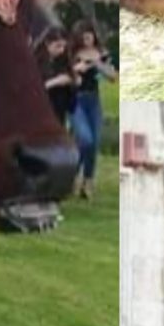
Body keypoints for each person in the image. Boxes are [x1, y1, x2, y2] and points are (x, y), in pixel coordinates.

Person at [66, 22, 114, 202]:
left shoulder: (101, 53)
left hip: (93, 101)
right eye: (84, 36)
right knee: (85, 139)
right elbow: (66, 76)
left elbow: (111, 77)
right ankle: (71, 175)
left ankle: (87, 181)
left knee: (93, 143)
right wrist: (77, 70)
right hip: (76, 100)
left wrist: (97, 63)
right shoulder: (71, 54)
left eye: (90, 35)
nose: (88, 39)